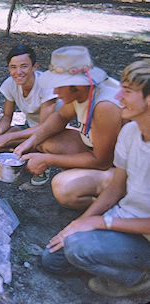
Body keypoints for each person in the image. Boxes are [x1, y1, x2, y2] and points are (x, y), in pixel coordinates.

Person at [41, 60, 150, 297]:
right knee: (52, 259)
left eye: (128, 92)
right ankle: (111, 261)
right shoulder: (131, 132)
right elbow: (114, 190)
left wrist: (102, 223)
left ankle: (139, 279)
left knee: (78, 248)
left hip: (145, 236)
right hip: (124, 217)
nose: (119, 97)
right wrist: (78, 223)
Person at [15, 46, 124, 209]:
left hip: (125, 169)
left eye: (59, 86)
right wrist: (30, 142)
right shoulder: (84, 91)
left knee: (63, 187)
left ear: (77, 85)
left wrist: (48, 160)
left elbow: (102, 162)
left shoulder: (105, 106)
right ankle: (87, 183)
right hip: (101, 153)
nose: (55, 91)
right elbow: (60, 117)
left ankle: (112, 207)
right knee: (47, 141)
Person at [0, 44, 58, 185]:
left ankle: (41, 161)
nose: (18, 72)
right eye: (13, 67)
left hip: (53, 132)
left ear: (34, 67)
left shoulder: (46, 85)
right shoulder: (10, 84)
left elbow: (45, 128)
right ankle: (23, 154)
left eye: (24, 66)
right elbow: (7, 116)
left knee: (41, 142)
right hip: (29, 127)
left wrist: (9, 137)